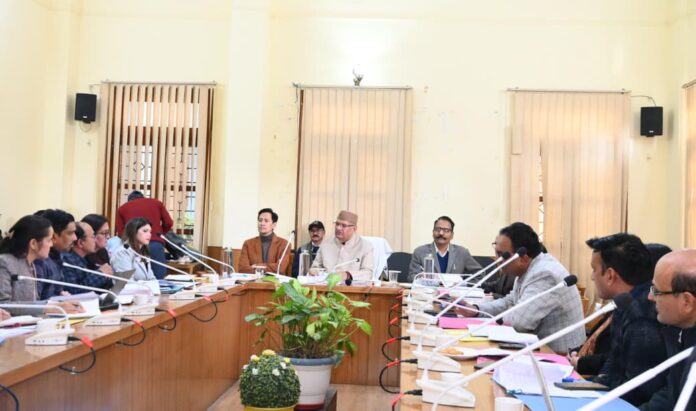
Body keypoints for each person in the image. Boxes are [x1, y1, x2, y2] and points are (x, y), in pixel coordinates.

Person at [456, 222, 585, 353]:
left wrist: (493, 320)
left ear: (523, 258)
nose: (497, 260)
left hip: (558, 356)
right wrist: (476, 310)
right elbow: (510, 302)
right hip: (534, 347)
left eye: (502, 255)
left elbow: (520, 323)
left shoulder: (545, 274)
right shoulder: (528, 267)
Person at [579, 234, 667, 405]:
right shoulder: (626, 303)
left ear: (610, 275)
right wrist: (596, 383)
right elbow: (614, 362)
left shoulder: (641, 314)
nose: (592, 277)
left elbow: (639, 389)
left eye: (594, 269)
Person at [640, 249, 696, 410]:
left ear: (687, 301)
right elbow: (672, 394)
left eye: (656, 290)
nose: (650, 297)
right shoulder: (678, 331)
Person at [0, 215, 84, 315]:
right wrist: (49, 308)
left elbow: (33, 303)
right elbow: (3, 305)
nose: (51, 244)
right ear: (33, 244)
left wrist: (59, 303)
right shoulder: (4, 262)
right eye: (49, 240)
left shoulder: (31, 264)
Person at [116, 191, 173, 279]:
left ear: (129, 200)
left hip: (134, 246)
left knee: (134, 277)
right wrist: (158, 234)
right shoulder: (157, 203)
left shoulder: (122, 208)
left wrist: (131, 239)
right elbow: (168, 223)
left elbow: (121, 232)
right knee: (159, 279)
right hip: (155, 244)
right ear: (143, 197)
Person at [408, 216, 482, 282]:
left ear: (452, 235)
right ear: (432, 232)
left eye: (446, 230)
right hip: (428, 291)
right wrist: (420, 278)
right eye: (438, 229)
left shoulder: (462, 253)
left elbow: (480, 274)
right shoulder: (419, 252)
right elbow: (411, 277)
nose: (441, 233)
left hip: (454, 292)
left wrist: (463, 284)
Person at [310, 210, 374, 283]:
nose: (338, 228)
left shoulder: (366, 246)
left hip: (351, 288)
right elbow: (315, 267)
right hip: (326, 286)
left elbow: (368, 273)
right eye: (337, 224)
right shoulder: (325, 243)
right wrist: (314, 272)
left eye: (344, 225)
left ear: (354, 229)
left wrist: (347, 275)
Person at [33, 209, 77, 298]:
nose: (75, 238)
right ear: (53, 236)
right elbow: (34, 301)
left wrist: (60, 295)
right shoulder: (39, 261)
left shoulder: (57, 256)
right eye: (70, 233)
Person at [61, 222, 113, 294]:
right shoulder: (67, 260)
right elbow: (74, 291)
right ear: (81, 243)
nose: (95, 240)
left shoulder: (86, 258)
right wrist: (101, 274)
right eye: (93, 237)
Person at [238, 208, 291, 274]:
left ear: (274, 225)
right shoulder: (248, 243)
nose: (262, 223)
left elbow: (280, 268)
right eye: (260, 220)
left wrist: (257, 266)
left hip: (274, 280)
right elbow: (242, 269)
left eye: (266, 221)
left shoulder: (284, 244)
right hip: (253, 280)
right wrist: (268, 267)